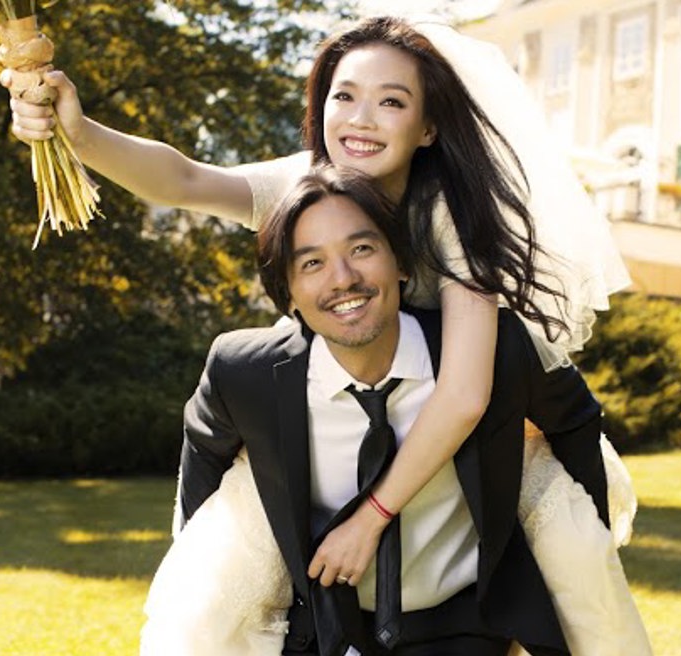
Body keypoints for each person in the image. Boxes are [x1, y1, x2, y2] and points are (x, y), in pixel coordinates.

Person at [142, 165, 649, 655]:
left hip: (463, 626)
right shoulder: (243, 372)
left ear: (401, 263)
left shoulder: (495, 351)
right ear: (288, 295)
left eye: (362, 249)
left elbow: (576, 420)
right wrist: (199, 578)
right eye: (312, 263)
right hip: (320, 625)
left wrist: (588, 550)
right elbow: (204, 460)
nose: (343, 279)